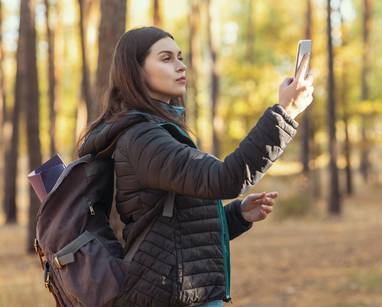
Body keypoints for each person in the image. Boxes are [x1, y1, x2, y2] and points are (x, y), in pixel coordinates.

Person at [77, 26, 314, 307]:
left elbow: (171, 230)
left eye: (180, 56)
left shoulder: (157, 132)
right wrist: (284, 113)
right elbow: (226, 179)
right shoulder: (143, 138)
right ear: (136, 71)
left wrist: (237, 216)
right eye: (166, 58)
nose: (181, 66)